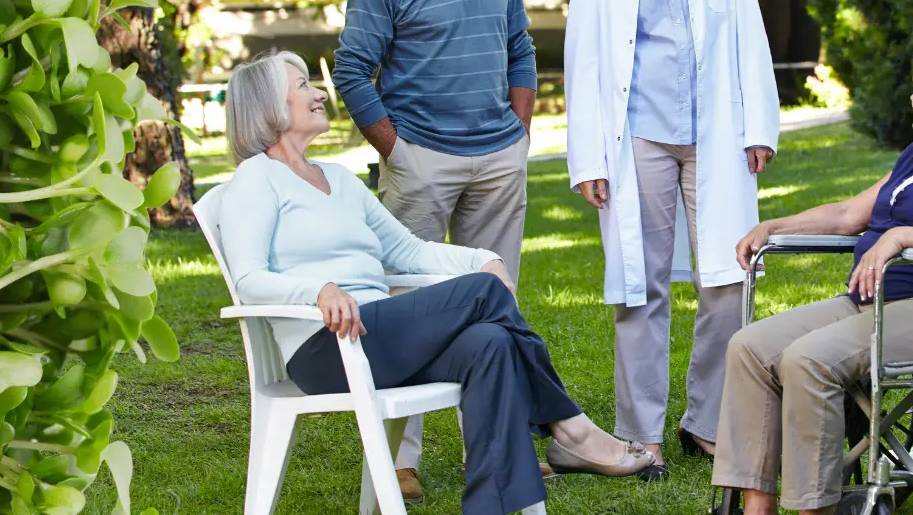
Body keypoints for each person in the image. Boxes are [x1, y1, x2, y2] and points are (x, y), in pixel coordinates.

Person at [219, 51, 653, 515]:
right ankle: (570, 428)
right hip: (325, 348)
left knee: (491, 343)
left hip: (379, 336)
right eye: (303, 85)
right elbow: (248, 279)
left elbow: (407, 251)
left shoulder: (340, 180)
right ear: (268, 106)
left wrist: (483, 258)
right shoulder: (256, 179)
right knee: (485, 295)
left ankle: (494, 506)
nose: (319, 92)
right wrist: (318, 291)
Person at [710, 45, 913, 514]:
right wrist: (775, 226)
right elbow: (848, 215)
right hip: (873, 301)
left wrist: (900, 236)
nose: (912, 96)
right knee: (750, 347)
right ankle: (757, 507)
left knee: (809, 359)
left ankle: (815, 507)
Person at [563, 0, 779, 480]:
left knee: (727, 276)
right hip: (639, 142)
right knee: (640, 286)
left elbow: (747, 31)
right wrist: (589, 161)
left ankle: (706, 420)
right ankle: (641, 432)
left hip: (712, 135)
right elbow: (586, 68)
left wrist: (757, 127)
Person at [331, 0, 536, 499]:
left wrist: (518, 130)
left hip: (497, 158)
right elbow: (353, 72)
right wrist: (399, 152)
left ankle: (499, 446)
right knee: (409, 308)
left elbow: (519, 45)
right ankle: (397, 459)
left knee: (498, 302)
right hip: (422, 161)